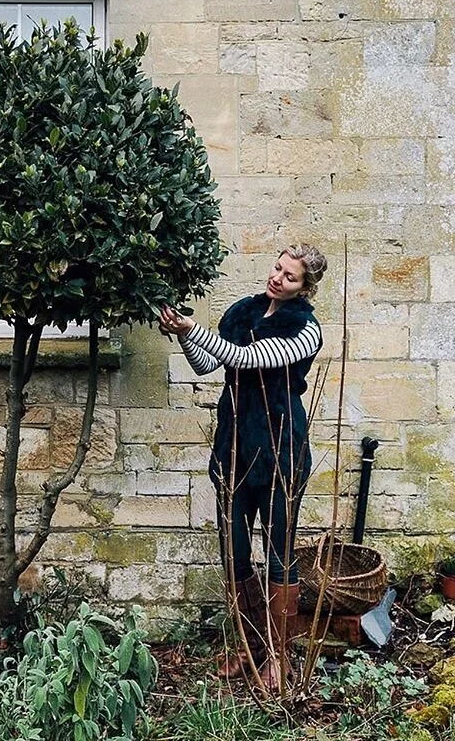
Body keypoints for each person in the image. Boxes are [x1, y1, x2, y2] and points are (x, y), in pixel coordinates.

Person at [159, 243, 327, 689]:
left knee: (278, 557)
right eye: (277, 268)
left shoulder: (306, 330)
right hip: (234, 447)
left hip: (280, 450)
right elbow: (208, 364)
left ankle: (278, 656)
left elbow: (249, 359)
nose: (277, 278)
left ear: (306, 288)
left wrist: (195, 327)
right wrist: (183, 334)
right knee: (235, 555)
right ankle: (251, 647)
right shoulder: (242, 312)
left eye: (290, 277)